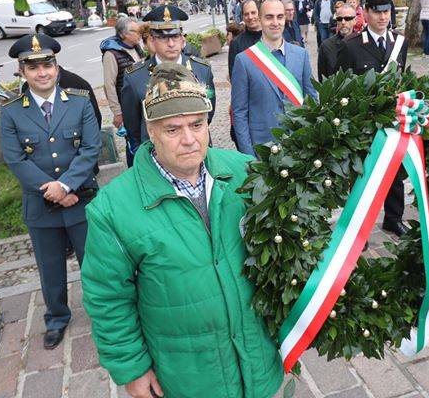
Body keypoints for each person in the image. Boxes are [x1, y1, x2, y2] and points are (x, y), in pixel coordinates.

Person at [82, 62, 284, 398]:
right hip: (188, 378)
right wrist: (132, 368)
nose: (189, 140)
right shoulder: (112, 209)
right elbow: (108, 298)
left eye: (197, 124)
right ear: (151, 130)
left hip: (258, 364)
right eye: (173, 130)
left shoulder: (246, 173)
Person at [0, 34, 101, 350]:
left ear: (56, 67)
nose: (42, 72)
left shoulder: (80, 101)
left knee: (94, 265)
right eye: (34, 67)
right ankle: (57, 318)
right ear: (22, 71)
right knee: (50, 269)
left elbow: (90, 148)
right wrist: (54, 191)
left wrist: (67, 186)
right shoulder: (12, 111)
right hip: (41, 207)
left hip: (80, 200)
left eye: (47, 65)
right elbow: (14, 159)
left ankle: (103, 316)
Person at [335, 0, 409, 237]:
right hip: (362, 121)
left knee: (395, 171)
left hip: (392, 119)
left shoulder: (400, 42)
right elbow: (341, 87)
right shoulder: (351, 45)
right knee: (361, 175)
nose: (382, 17)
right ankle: (357, 229)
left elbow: (402, 79)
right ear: (365, 13)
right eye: (376, 11)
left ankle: (393, 217)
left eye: (386, 11)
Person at [121, 4, 215, 159]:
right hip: (155, 155)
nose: (171, 44)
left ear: (182, 38)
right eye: (163, 38)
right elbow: (133, 126)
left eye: (175, 36)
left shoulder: (201, 69)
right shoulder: (134, 77)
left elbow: (208, 114)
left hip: (196, 150)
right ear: (151, 40)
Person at [231, 0, 317, 157]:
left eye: (280, 17)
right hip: (262, 149)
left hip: (299, 147)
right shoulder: (244, 60)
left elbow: (312, 99)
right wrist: (248, 156)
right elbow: (239, 113)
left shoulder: (301, 55)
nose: (275, 22)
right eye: (269, 17)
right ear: (260, 19)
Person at [100, 17, 144, 166]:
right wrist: (117, 112)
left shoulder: (137, 48)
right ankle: (134, 172)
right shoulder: (111, 54)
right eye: (135, 31)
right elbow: (109, 85)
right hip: (127, 107)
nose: (139, 34)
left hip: (142, 104)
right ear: (123, 34)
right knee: (133, 143)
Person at [318, 3, 357, 80]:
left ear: (355, 20)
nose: (343, 22)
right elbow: (322, 78)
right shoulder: (326, 46)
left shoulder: (363, 43)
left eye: (347, 18)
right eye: (339, 19)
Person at [227, 0, 263, 76]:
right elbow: (234, 75)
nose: (250, 17)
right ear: (242, 17)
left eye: (253, 13)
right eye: (246, 14)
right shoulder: (236, 43)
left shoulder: (271, 38)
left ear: (260, 13)